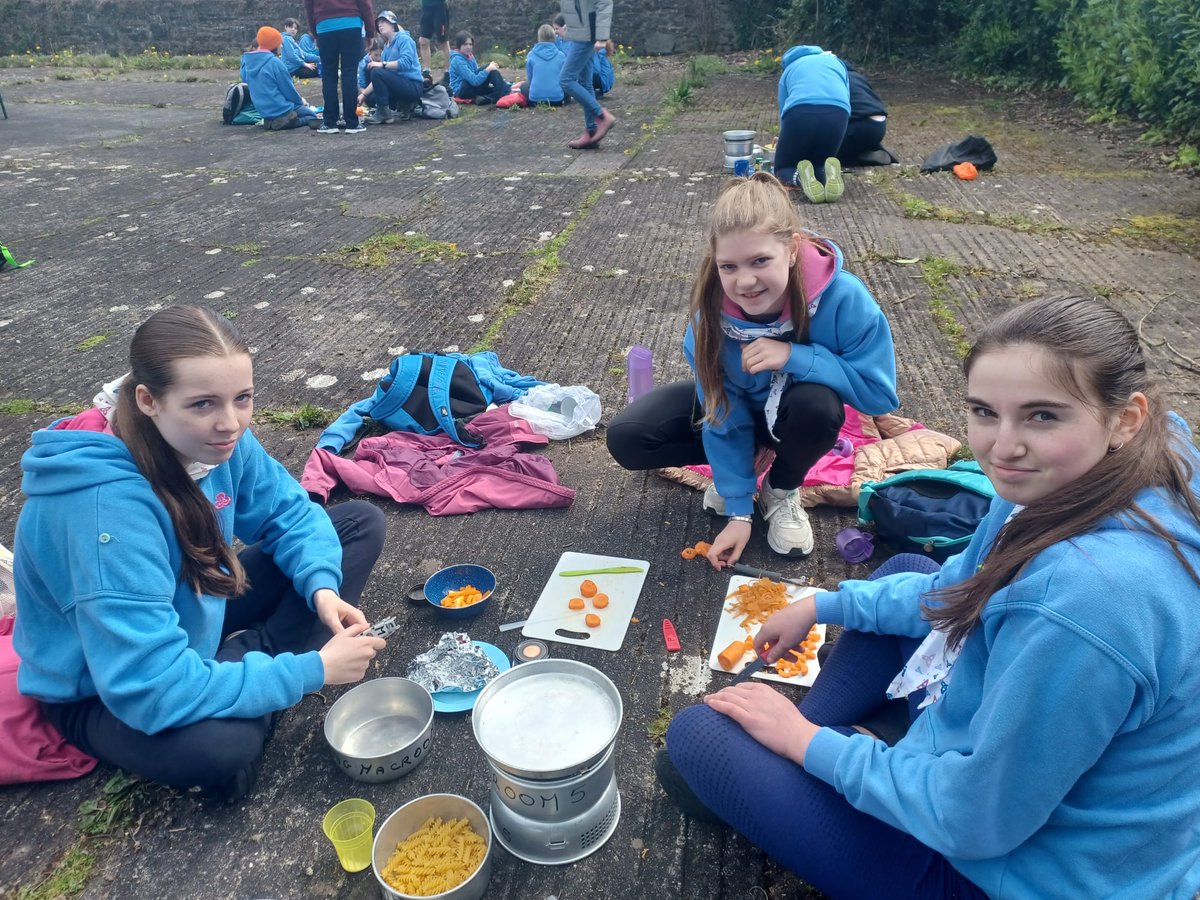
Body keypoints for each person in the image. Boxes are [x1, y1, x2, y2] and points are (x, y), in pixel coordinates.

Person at [660, 295, 1200, 898]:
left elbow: (976, 821)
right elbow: (954, 592)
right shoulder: (1088, 473)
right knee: (915, 569)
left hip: (1010, 870)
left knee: (695, 743)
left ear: (1126, 418)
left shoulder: (1086, 605)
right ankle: (819, 754)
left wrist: (805, 743)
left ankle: (809, 753)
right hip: (1023, 785)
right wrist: (819, 604)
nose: (1002, 446)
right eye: (984, 411)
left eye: (1043, 416)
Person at [12, 307, 389, 801]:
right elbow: (149, 688)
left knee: (358, 524)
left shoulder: (213, 438)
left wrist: (319, 586)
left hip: (188, 609)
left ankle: (238, 675)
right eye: (203, 404)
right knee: (220, 749)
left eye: (243, 398)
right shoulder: (104, 516)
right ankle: (253, 670)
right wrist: (312, 671)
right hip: (107, 688)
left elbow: (292, 514)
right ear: (147, 400)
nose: (229, 424)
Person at [607, 173, 897, 560]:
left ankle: (781, 488)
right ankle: (741, 479)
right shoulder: (708, 319)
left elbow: (878, 395)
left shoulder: (845, 298)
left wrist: (798, 357)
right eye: (729, 267)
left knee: (817, 407)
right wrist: (739, 508)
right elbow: (721, 412)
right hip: (741, 409)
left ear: (793, 249)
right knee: (628, 438)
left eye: (760, 260)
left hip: (797, 417)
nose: (745, 281)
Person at [776, 45, 850, 203]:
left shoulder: (789, 70)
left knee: (782, 168)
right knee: (820, 162)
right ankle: (827, 173)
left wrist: (784, 139)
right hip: (838, 113)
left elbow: (784, 111)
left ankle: (801, 179)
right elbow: (846, 97)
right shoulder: (836, 63)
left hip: (799, 112)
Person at [304, 0, 375, 133]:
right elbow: (365, 4)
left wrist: (315, 33)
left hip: (324, 26)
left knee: (329, 74)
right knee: (350, 72)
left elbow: (309, 7)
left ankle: (330, 123)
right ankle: (352, 123)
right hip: (351, 24)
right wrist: (370, 32)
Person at [557, 0, 617, 149]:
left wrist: (602, 38)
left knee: (566, 80)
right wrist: (570, 24)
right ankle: (592, 132)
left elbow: (604, 3)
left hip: (586, 33)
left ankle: (602, 116)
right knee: (585, 83)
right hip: (580, 31)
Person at [239, 27, 319, 131]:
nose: (281, 46)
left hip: (264, 112)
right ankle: (290, 121)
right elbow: (288, 90)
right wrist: (301, 101)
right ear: (273, 45)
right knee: (312, 115)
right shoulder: (275, 63)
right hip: (281, 109)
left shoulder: (247, 62)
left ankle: (273, 121)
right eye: (279, 43)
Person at [364, 10, 423, 124]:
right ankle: (400, 106)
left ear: (392, 24)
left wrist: (382, 64)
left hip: (412, 85)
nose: (380, 25)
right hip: (398, 85)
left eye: (383, 21)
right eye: (378, 23)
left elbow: (405, 63)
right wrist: (363, 94)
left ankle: (385, 113)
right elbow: (381, 76)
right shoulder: (386, 48)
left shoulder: (404, 39)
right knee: (370, 98)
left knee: (376, 71)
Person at [837, 61, 889, 165]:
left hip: (860, 128)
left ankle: (859, 159)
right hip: (880, 125)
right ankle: (871, 148)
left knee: (822, 152)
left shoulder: (833, 78)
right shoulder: (857, 76)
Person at [447, 31, 511, 105]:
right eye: (465, 44)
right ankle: (502, 93)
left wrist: (488, 70)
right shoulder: (457, 60)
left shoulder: (470, 56)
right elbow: (474, 80)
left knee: (494, 87)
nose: (468, 47)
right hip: (462, 91)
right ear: (459, 45)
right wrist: (488, 69)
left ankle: (487, 98)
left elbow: (476, 73)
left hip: (471, 87)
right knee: (489, 68)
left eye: (470, 44)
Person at [524, 24, 567, 105]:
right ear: (554, 37)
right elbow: (564, 77)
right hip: (557, 99)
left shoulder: (531, 54)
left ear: (539, 38)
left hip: (535, 99)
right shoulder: (561, 55)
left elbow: (530, 77)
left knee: (523, 86)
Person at [417, 0, 451, 86]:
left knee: (443, 41)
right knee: (423, 41)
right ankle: (426, 72)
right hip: (426, 7)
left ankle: (448, 73)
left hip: (439, 6)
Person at [356, 35, 387, 118]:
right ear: (370, 52)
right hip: (368, 90)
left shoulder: (384, 61)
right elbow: (361, 83)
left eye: (380, 55)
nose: (378, 58)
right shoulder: (363, 64)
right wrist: (363, 96)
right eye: (376, 55)